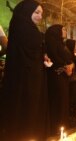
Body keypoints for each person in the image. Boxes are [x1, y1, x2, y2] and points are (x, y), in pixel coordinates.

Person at [1, 0, 48, 140]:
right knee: (27, 112)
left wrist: (42, 57)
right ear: (26, 12)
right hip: (27, 79)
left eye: (41, 13)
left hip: (26, 77)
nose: (40, 16)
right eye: (37, 12)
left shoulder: (20, 26)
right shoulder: (25, 28)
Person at [45, 24, 74, 135]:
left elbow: (68, 59)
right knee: (58, 100)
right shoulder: (52, 43)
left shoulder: (62, 44)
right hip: (56, 77)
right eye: (64, 29)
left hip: (64, 76)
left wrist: (70, 65)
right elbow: (55, 58)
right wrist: (66, 66)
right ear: (57, 31)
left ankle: (63, 125)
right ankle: (56, 127)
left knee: (63, 100)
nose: (65, 31)